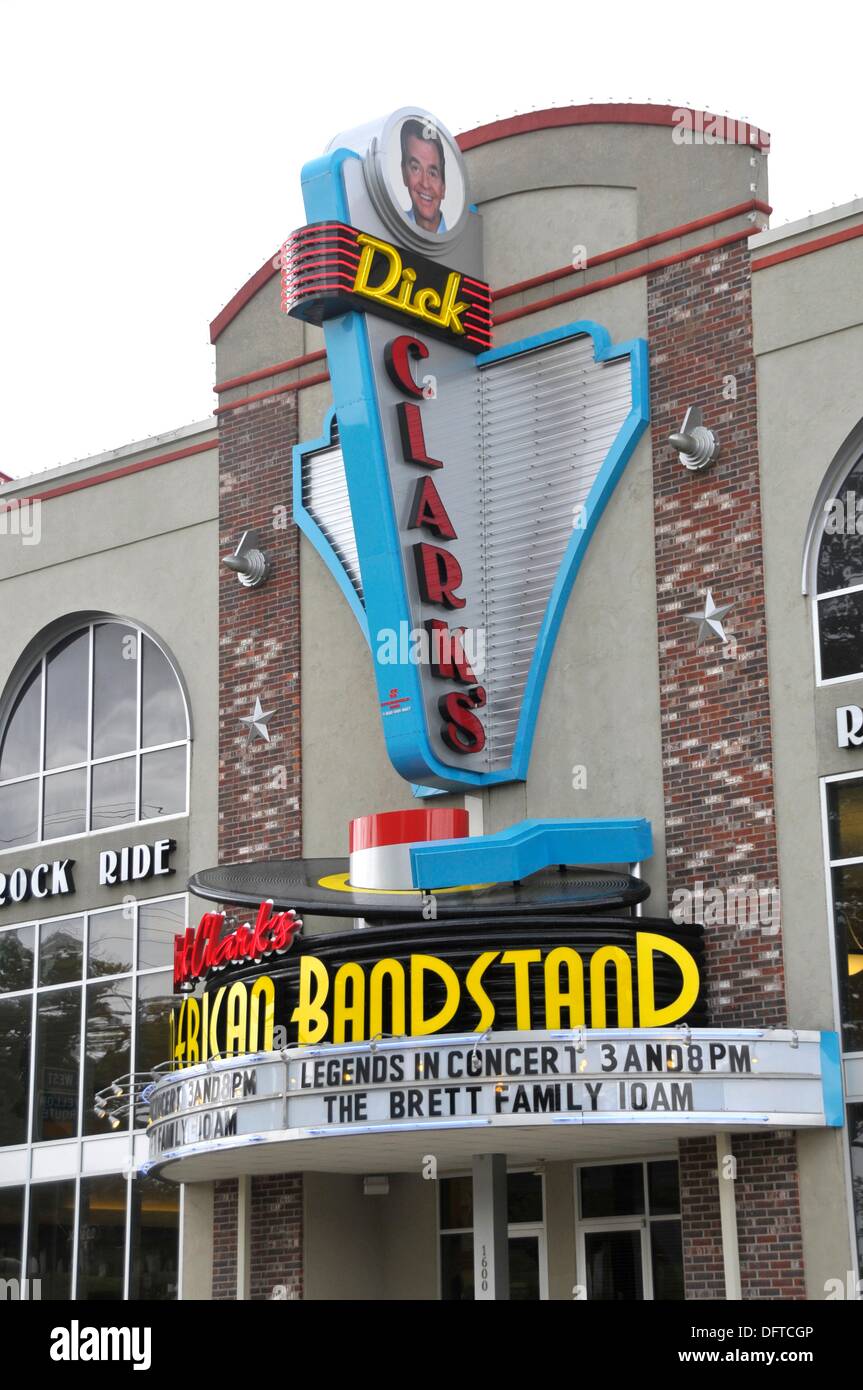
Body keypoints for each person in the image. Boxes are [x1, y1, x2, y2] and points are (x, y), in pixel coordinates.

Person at [400, 119, 447, 234]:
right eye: (416, 168)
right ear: (404, 174)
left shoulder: (463, 244)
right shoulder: (388, 232)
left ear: (443, 188)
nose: (425, 183)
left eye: (432, 173)